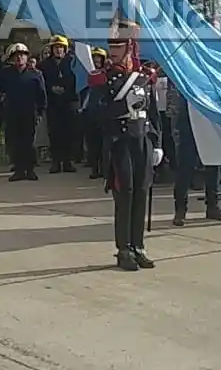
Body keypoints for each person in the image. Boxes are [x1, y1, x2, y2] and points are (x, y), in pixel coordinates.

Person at [92, 18, 162, 270]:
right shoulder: (101, 78)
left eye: (118, 47)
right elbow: (93, 114)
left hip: (141, 141)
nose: (113, 52)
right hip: (119, 143)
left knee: (141, 192)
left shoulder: (143, 77)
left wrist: (156, 143)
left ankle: (138, 246)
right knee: (125, 195)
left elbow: (153, 115)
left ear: (130, 47)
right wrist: (124, 105)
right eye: (111, 47)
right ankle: (123, 249)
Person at [169, 78, 221, 226]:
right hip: (189, 122)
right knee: (185, 168)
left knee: (213, 163)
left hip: (210, 121)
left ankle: (213, 206)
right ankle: (180, 210)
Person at [0, 43, 47, 181]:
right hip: (12, 112)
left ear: (27, 58)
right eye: (16, 56)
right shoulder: (7, 73)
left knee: (29, 142)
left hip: (29, 112)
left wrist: (40, 112)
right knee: (15, 142)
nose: (19, 58)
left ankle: (30, 169)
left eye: (22, 56)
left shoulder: (35, 74)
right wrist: (3, 59)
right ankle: (19, 170)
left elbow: (41, 95)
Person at [39, 36, 80, 174]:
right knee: (54, 132)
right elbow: (41, 82)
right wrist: (51, 89)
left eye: (61, 47)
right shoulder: (44, 64)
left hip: (69, 102)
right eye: (56, 47)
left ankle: (68, 161)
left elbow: (77, 80)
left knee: (70, 132)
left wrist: (67, 91)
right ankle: (56, 161)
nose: (58, 50)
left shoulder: (72, 62)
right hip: (53, 103)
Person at [81, 47, 109, 179]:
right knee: (93, 143)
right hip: (91, 112)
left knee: (104, 142)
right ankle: (94, 167)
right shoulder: (90, 74)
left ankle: (105, 168)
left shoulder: (108, 75)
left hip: (103, 113)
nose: (96, 60)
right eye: (94, 58)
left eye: (99, 58)